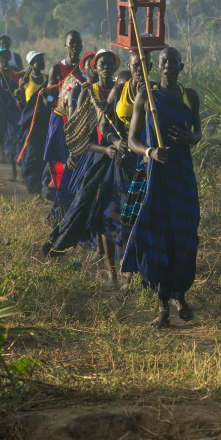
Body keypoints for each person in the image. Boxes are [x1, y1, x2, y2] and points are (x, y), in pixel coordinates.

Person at [122, 47, 202, 328]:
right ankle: (163, 308)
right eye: (163, 62)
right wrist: (150, 152)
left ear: (182, 64)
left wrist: (189, 137)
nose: (168, 66)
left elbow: (198, 133)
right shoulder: (147, 97)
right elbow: (132, 140)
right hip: (157, 175)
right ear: (157, 66)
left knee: (186, 236)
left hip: (182, 176)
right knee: (159, 237)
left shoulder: (189, 96)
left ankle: (180, 294)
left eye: (173, 62)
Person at [42, 49, 121, 277]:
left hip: (117, 157)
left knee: (108, 205)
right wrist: (102, 149)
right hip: (95, 155)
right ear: (95, 68)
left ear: (115, 68)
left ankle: (108, 256)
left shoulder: (120, 91)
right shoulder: (88, 93)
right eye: (102, 64)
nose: (106, 67)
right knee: (82, 204)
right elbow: (78, 135)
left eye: (110, 64)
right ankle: (57, 243)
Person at [87, 51, 154, 287]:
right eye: (136, 65)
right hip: (122, 162)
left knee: (138, 219)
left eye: (144, 65)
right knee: (109, 216)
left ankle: (131, 273)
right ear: (129, 65)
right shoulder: (119, 91)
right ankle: (111, 273)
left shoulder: (156, 93)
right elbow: (104, 124)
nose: (140, 69)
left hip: (146, 163)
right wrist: (115, 142)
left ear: (151, 66)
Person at [43, 31, 86, 190]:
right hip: (60, 118)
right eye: (72, 43)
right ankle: (55, 186)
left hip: (80, 119)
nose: (75, 46)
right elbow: (48, 96)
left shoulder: (86, 68)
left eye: (78, 43)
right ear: (65, 45)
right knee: (59, 158)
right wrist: (49, 100)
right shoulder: (57, 69)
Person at [16, 51, 51, 195]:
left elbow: (51, 101)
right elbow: (23, 107)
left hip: (46, 125)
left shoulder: (48, 79)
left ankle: (41, 187)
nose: (42, 63)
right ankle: (32, 188)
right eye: (38, 60)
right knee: (31, 156)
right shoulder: (25, 81)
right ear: (31, 64)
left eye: (42, 60)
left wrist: (46, 100)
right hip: (31, 126)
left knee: (44, 156)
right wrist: (18, 99)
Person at [0, 46, 22, 181]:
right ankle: (14, 172)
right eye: (2, 57)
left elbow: (23, 88)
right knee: (9, 141)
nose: (5, 59)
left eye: (6, 56)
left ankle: (23, 170)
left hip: (16, 110)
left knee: (19, 139)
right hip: (2, 112)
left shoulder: (16, 71)